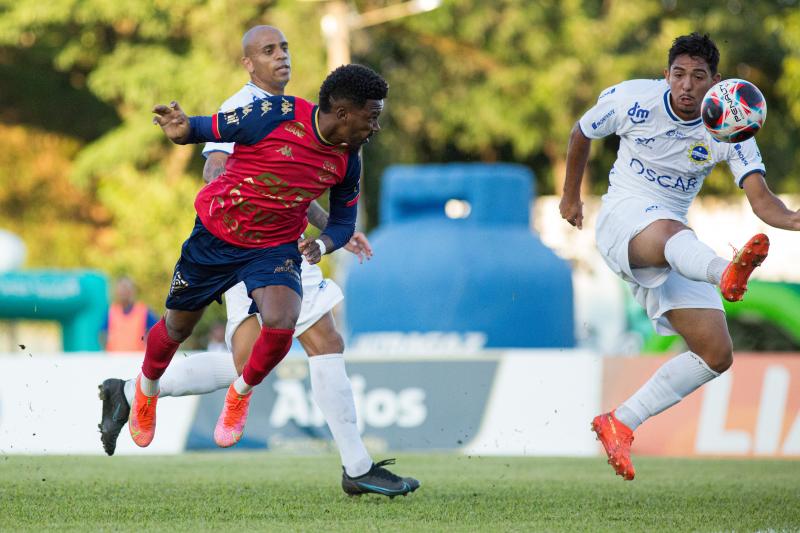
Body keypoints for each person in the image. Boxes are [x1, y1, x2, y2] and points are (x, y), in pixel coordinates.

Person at [560, 32, 800, 481]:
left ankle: (620, 422)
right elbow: (581, 132)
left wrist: (793, 219)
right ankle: (724, 271)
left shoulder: (731, 123)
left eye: (698, 76)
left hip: (674, 245)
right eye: (678, 74)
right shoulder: (633, 99)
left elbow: (765, 204)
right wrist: (571, 198)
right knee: (674, 231)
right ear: (666, 75)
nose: (687, 86)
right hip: (623, 221)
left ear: (716, 81)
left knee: (715, 353)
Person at [100, 277, 159, 353]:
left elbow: (157, 332)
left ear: (133, 291)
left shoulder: (144, 311)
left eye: (126, 288)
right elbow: (103, 335)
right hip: (114, 359)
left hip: (137, 358)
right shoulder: (111, 311)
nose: (123, 292)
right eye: (121, 289)